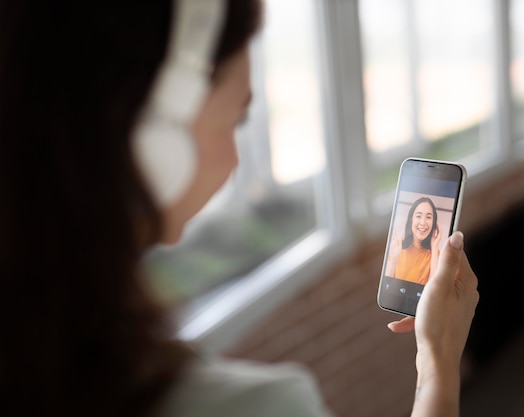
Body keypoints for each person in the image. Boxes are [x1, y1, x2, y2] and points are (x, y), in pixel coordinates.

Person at [0, 1, 479, 417]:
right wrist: (438, 364)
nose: (233, 159)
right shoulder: (252, 408)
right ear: (156, 139)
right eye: (236, 117)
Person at [386, 196, 442, 284]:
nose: (423, 222)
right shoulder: (397, 246)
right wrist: (393, 259)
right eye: (418, 216)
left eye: (428, 217)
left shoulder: (436, 254)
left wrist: (434, 247)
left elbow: (434, 287)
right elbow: (387, 284)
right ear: (411, 219)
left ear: (433, 222)